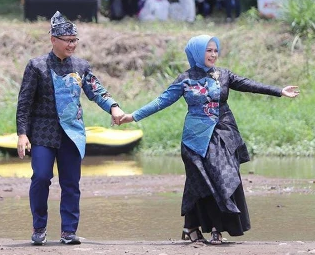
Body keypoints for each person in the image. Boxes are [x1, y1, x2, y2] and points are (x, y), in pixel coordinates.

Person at [118, 35, 299, 244]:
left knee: (222, 178)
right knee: (200, 183)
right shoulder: (185, 79)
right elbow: (161, 101)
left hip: (223, 134)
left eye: (215, 50)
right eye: (208, 50)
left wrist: (279, 91)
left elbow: (250, 84)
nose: (213, 54)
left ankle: (212, 228)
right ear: (197, 52)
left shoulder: (223, 75)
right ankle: (194, 228)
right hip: (194, 139)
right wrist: (133, 116)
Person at [16, 11, 125, 246]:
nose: (71, 44)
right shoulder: (36, 66)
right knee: (41, 177)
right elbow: (24, 102)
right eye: (67, 40)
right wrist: (22, 133)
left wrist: (114, 107)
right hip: (43, 133)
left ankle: (68, 231)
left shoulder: (81, 66)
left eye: (74, 40)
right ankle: (39, 226)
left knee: (71, 183)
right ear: (53, 40)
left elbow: (97, 91)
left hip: (72, 134)